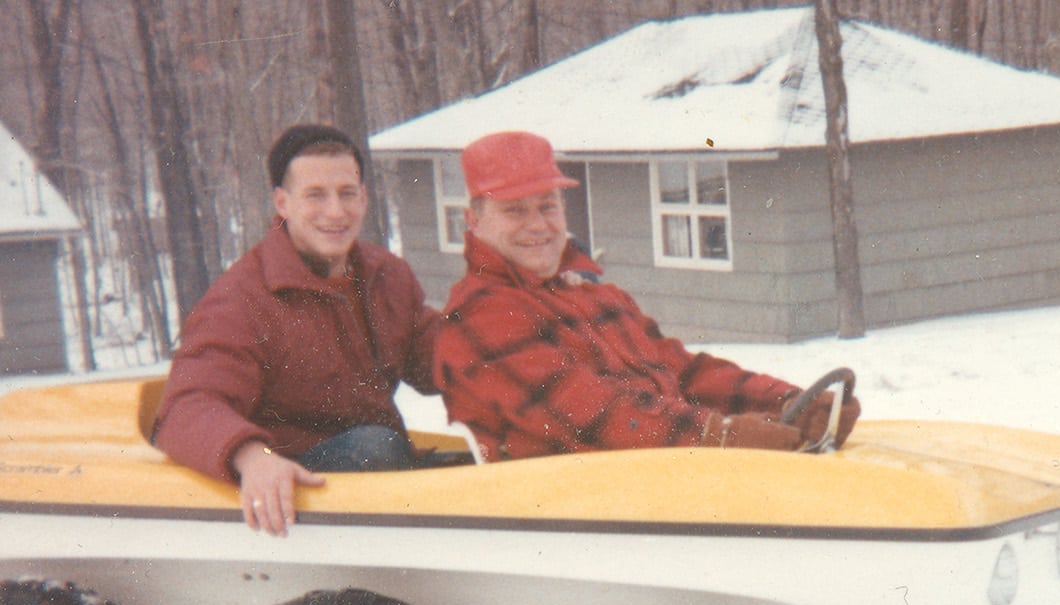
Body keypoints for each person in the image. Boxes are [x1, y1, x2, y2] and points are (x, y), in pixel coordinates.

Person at [434, 130, 860, 462]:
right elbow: (598, 416)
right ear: (473, 221)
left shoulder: (600, 299)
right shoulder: (480, 316)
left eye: (548, 206)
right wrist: (722, 436)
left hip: (658, 482)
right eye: (514, 210)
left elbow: (686, 376)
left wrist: (786, 401)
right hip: (572, 515)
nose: (537, 225)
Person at [152, 124, 444, 536]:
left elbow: (442, 356)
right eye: (315, 196)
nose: (336, 212)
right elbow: (187, 406)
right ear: (282, 203)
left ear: (364, 197)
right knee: (376, 447)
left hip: (377, 471)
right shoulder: (244, 298)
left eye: (346, 193)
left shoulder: (385, 276)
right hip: (293, 493)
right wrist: (252, 457)